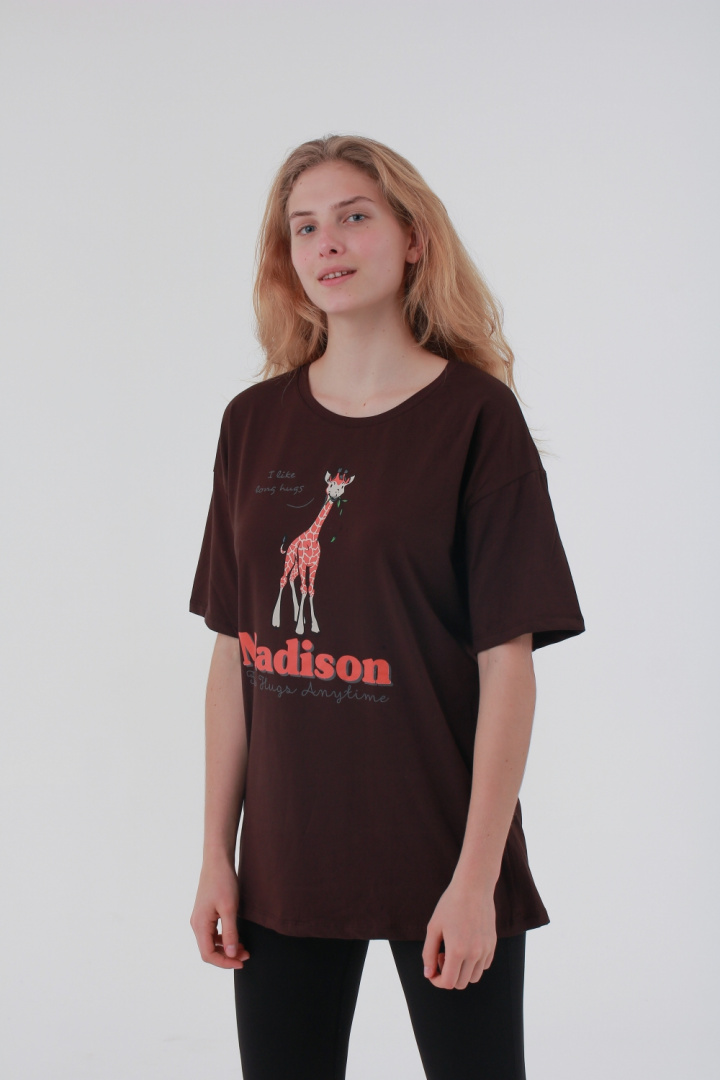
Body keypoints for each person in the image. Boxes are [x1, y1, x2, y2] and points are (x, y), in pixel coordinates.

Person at [188, 134, 585, 1080]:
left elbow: (507, 664)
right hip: (286, 863)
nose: (327, 242)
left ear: (413, 239)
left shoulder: (477, 418)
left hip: (442, 853)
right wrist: (215, 855)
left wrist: (477, 878)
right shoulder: (252, 423)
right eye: (304, 227)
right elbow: (235, 653)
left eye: (354, 217)